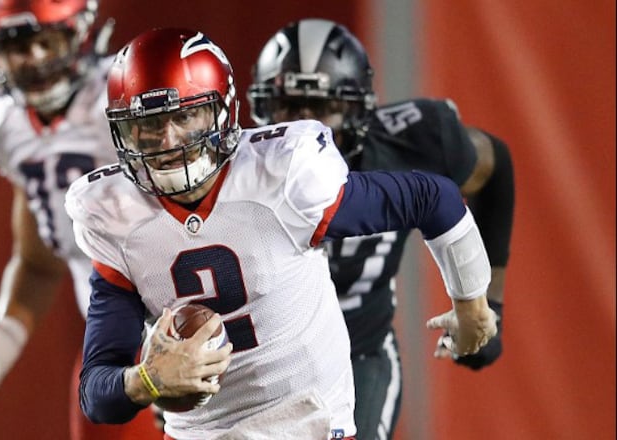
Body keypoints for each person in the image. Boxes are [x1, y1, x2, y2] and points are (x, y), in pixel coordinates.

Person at [64, 27, 498, 440]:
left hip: (308, 420)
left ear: (221, 110)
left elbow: (432, 197)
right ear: (123, 132)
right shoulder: (114, 216)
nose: (169, 140)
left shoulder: (281, 174)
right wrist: (146, 381)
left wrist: (473, 306)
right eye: (149, 124)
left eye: (187, 116)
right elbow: (97, 393)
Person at [247, 18, 514, 440]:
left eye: (322, 108)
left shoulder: (413, 141)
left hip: (360, 352)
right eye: (287, 106)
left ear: (358, 110)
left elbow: (493, 163)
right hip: (259, 364)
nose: (303, 128)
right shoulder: (234, 178)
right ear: (262, 109)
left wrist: (488, 302)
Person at [0, 1, 160, 438]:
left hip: (194, 318)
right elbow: (40, 260)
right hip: (113, 342)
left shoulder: (125, 95)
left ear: (80, 33)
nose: (36, 58)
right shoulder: (2, 124)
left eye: (47, 40)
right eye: (18, 46)